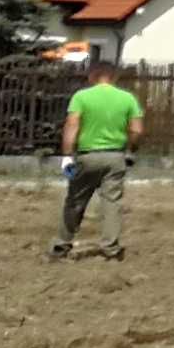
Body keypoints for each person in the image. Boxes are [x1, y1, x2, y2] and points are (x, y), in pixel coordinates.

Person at [50, 60, 145, 260]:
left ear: (92, 76)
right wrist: (130, 150)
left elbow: (71, 127)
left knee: (76, 200)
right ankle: (110, 248)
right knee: (112, 203)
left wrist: (67, 156)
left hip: (87, 156)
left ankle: (62, 245)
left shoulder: (81, 97)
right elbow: (137, 130)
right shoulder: (127, 98)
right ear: (114, 77)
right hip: (115, 156)